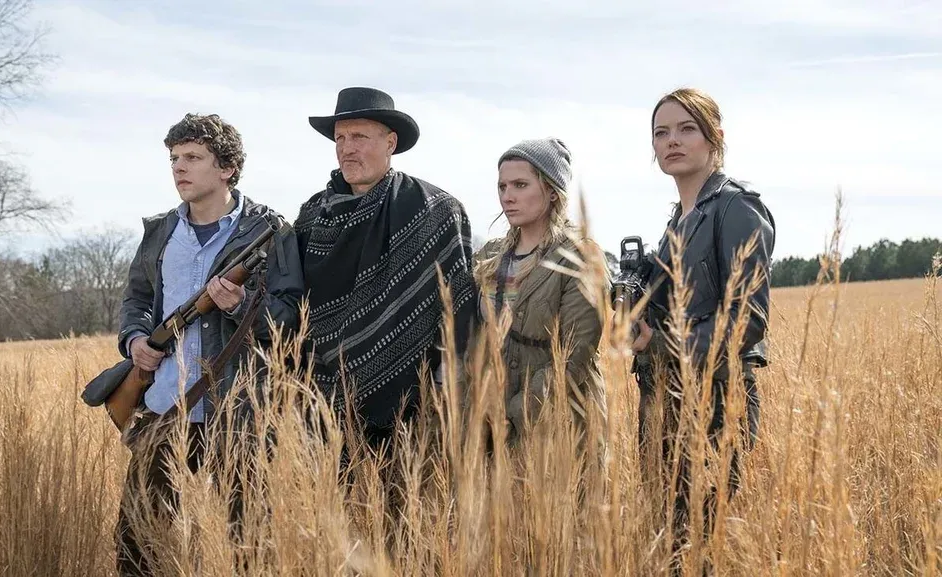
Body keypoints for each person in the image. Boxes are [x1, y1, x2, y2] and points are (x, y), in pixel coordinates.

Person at [113, 113, 305, 576]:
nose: (179, 167)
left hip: (238, 412)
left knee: (245, 546)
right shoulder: (160, 232)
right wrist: (136, 340)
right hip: (166, 406)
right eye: (174, 158)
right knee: (137, 545)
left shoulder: (270, 232)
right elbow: (137, 299)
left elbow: (292, 317)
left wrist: (240, 304)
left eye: (193, 157)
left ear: (227, 169)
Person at [631, 88, 775, 570]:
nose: (671, 141)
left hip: (715, 398)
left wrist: (662, 343)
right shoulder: (679, 218)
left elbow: (747, 319)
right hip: (664, 396)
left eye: (686, 129)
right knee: (673, 541)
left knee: (704, 542)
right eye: (661, 133)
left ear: (715, 137)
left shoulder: (736, 208)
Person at [293, 86, 477, 449]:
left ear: (390, 142)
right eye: (340, 138)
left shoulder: (435, 211)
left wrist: (448, 393)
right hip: (319, 406)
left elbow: (458, 309)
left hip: (413, 410)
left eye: (359, 137)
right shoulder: (312, 215)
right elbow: (292, 305)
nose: (347, 148)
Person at [473, 138, 607, 444]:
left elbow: (573, 357)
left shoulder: (578, 257)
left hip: (559, 426)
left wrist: (515, 415)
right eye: (502, 187)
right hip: (492, 425)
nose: (507, 196)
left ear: (552, 190)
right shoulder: (490, 256)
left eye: (520, 185)